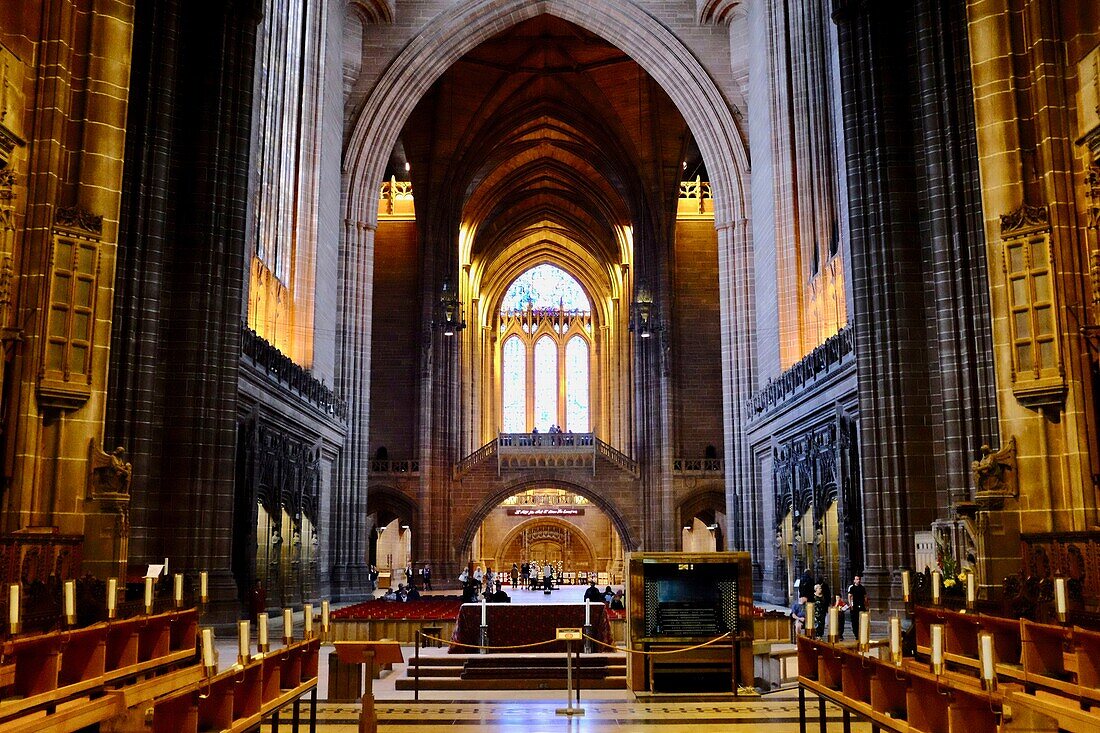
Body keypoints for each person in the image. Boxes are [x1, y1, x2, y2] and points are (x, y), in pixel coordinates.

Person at [847, 574, 868, 639]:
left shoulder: (862, 588)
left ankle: (861, 633)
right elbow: (849, 596)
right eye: (856, 579)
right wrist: (850, 604)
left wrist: (866, 604)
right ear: (854, 580)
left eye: (859, 579)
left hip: (861, 605)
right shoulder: (852, 588)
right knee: (855, 620)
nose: (858, 580)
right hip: (855, 606)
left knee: (862, 620)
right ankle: (856, 633)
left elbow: (865, 597)